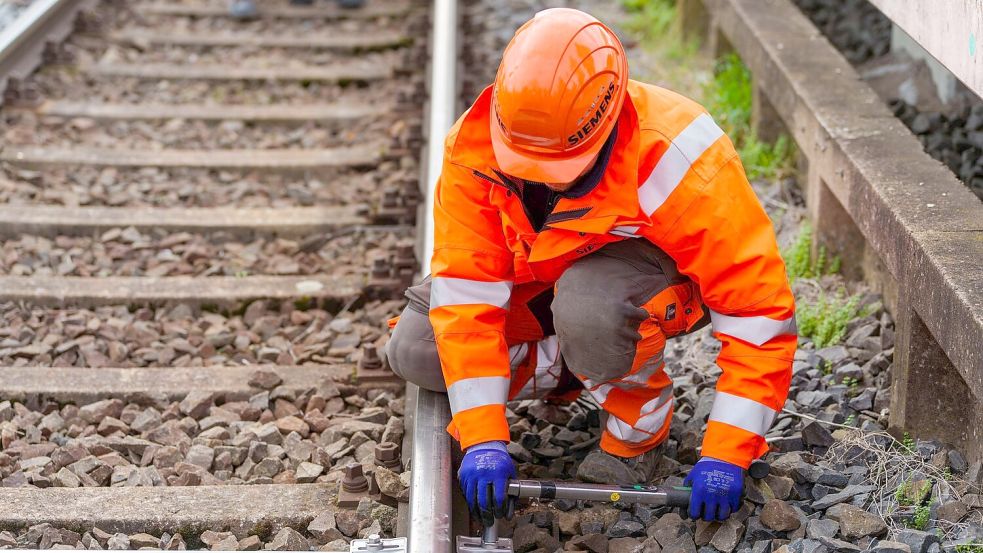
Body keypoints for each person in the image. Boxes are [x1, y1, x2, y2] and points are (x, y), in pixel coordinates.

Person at [386, 8, 796, 524]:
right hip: (544, 278)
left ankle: (639, 429)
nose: (543, 182)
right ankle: (580, 364)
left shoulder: (679, 156)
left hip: (633, 287)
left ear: (607, 124)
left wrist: (728, 452)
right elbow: (466, 297)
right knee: (417, 349)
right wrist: (484, 434)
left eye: (562, 171)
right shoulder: (473, 151)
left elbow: (758, 315)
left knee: (588, 305)